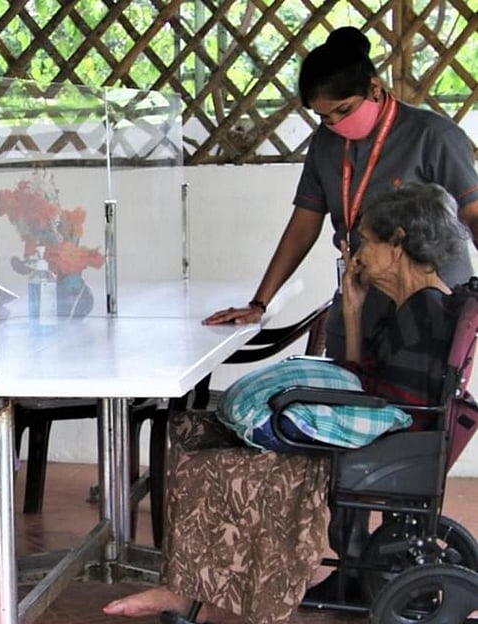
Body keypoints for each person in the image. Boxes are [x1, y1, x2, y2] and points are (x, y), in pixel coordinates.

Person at [103, 182, 470, 623]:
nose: (357, 255)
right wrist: (352, 308)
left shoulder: (422, 314)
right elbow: (365, 383)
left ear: (398, 242)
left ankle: (193, 593)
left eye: (366, 242)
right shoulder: (413, 306)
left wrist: (297, 399)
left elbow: (394, 411)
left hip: (386, 449)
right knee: (193, 429)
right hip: (380, 434)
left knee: (216, 463)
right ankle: (191, 587)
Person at [204, 26, 478, 362]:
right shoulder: (325, 142)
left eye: (344, 110)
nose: (334, 123)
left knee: (413, 401)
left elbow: (473, 213)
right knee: (346, 395)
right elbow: (304, 224)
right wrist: (259, 304)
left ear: (374, 88)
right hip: (358, 298)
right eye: (323, 116)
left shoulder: (433, 135)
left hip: (428, 305)